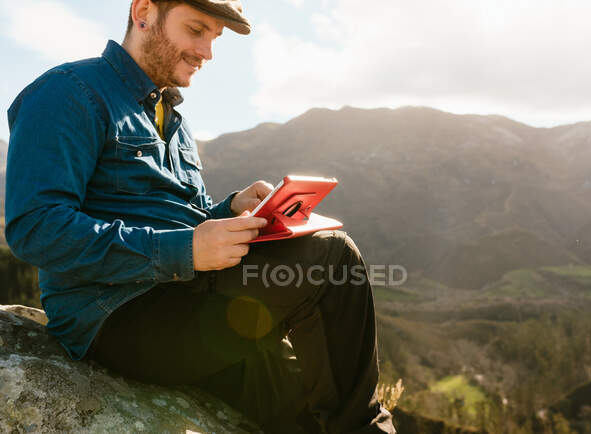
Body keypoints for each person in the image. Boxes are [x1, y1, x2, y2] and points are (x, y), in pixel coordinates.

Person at [4, 1, 396, 433]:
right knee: (332, 258)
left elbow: (180, 223)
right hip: (119, 316)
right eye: (196, 30)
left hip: (187, 300)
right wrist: (187, 249)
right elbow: (36, 227)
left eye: (214, 39)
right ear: (143, 12)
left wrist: (228, 211)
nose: (207, 52)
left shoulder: (175, 120)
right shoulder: (68, 91)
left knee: (307, 402)